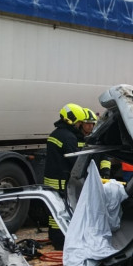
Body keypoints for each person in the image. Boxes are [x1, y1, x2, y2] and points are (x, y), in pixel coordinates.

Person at [43, 103, 97, 250]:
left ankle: (54, 237)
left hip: (52, 178)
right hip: (60, 180)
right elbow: (76, 161)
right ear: (71, 121)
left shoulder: (56, 133)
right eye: (80, 122)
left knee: (53, 211)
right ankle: (60, 241)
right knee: (62, 210)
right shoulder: (68, 137)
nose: (80, 125)